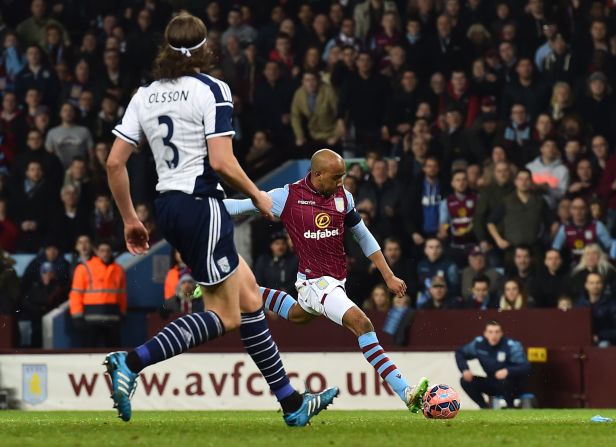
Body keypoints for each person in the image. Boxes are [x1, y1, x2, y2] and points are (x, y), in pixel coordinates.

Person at [103, 14, 337, 425]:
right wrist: (258, 195)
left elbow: (114, 162)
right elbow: (222, 161)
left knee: (249, 299)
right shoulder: (212, 89)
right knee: (226, 316)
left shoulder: (145, 94)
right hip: (201, 206)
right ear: (205, 47)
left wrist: (129, 220)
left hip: (169, 208)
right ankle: (131, 362)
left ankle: (292, 403)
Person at [223, 148, 430, 413]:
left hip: (332, 281)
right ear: (317, 174)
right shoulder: (287, 197)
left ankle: (236, 289)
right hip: (316, 282)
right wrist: (202, 210)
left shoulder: (344, 197)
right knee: (362, 323)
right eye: (335, 177)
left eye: (342, 177)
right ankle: (406, 392)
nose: (340, 183)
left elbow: (363, 236)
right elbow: (242, 206)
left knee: (299, 314)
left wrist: (388, 275)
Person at [456, 320, 531, 408]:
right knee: (465, 381)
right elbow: (460, 353)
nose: (494, 335)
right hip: (492, 382)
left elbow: (525, 367)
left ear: (501, 333)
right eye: (490, 332)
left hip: (512, 384)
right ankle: (484, 407)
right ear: (485, 333)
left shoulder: (511, 346)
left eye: (497, 332)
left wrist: (508, 371)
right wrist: (464, 369)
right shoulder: (479, 344)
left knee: (507, 382)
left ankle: (511, 408)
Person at [69, 240, 126, 348]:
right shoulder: (84, 268)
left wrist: (122, 312)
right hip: (90, 320)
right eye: (102, 250)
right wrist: (77, 316)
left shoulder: (119, 270)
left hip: (112, 319)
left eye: (108, 251)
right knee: (89, 352)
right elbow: (76, 294)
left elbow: (122, 294)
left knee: (114, 353)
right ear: (96, 252)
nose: (105, 253)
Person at [552, 197, 612, 265]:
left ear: (587, 209)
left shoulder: (597, 226)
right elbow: (555, 249)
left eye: (582, 208)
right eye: (575, 208)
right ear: (571, 210)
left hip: (595, 264)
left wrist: (606, 257)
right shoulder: (565, 228)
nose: (578, 211)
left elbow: (610, 247)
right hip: (573, 265)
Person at [574, 272, 616, 347]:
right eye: (592, 283)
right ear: (586, 285)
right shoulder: (579, 304)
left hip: (604, 341)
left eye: (598, 282)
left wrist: (599, 336)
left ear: (602, 285)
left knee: (604, 345)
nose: (595, 286)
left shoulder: (611, 304)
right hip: (582, 341)